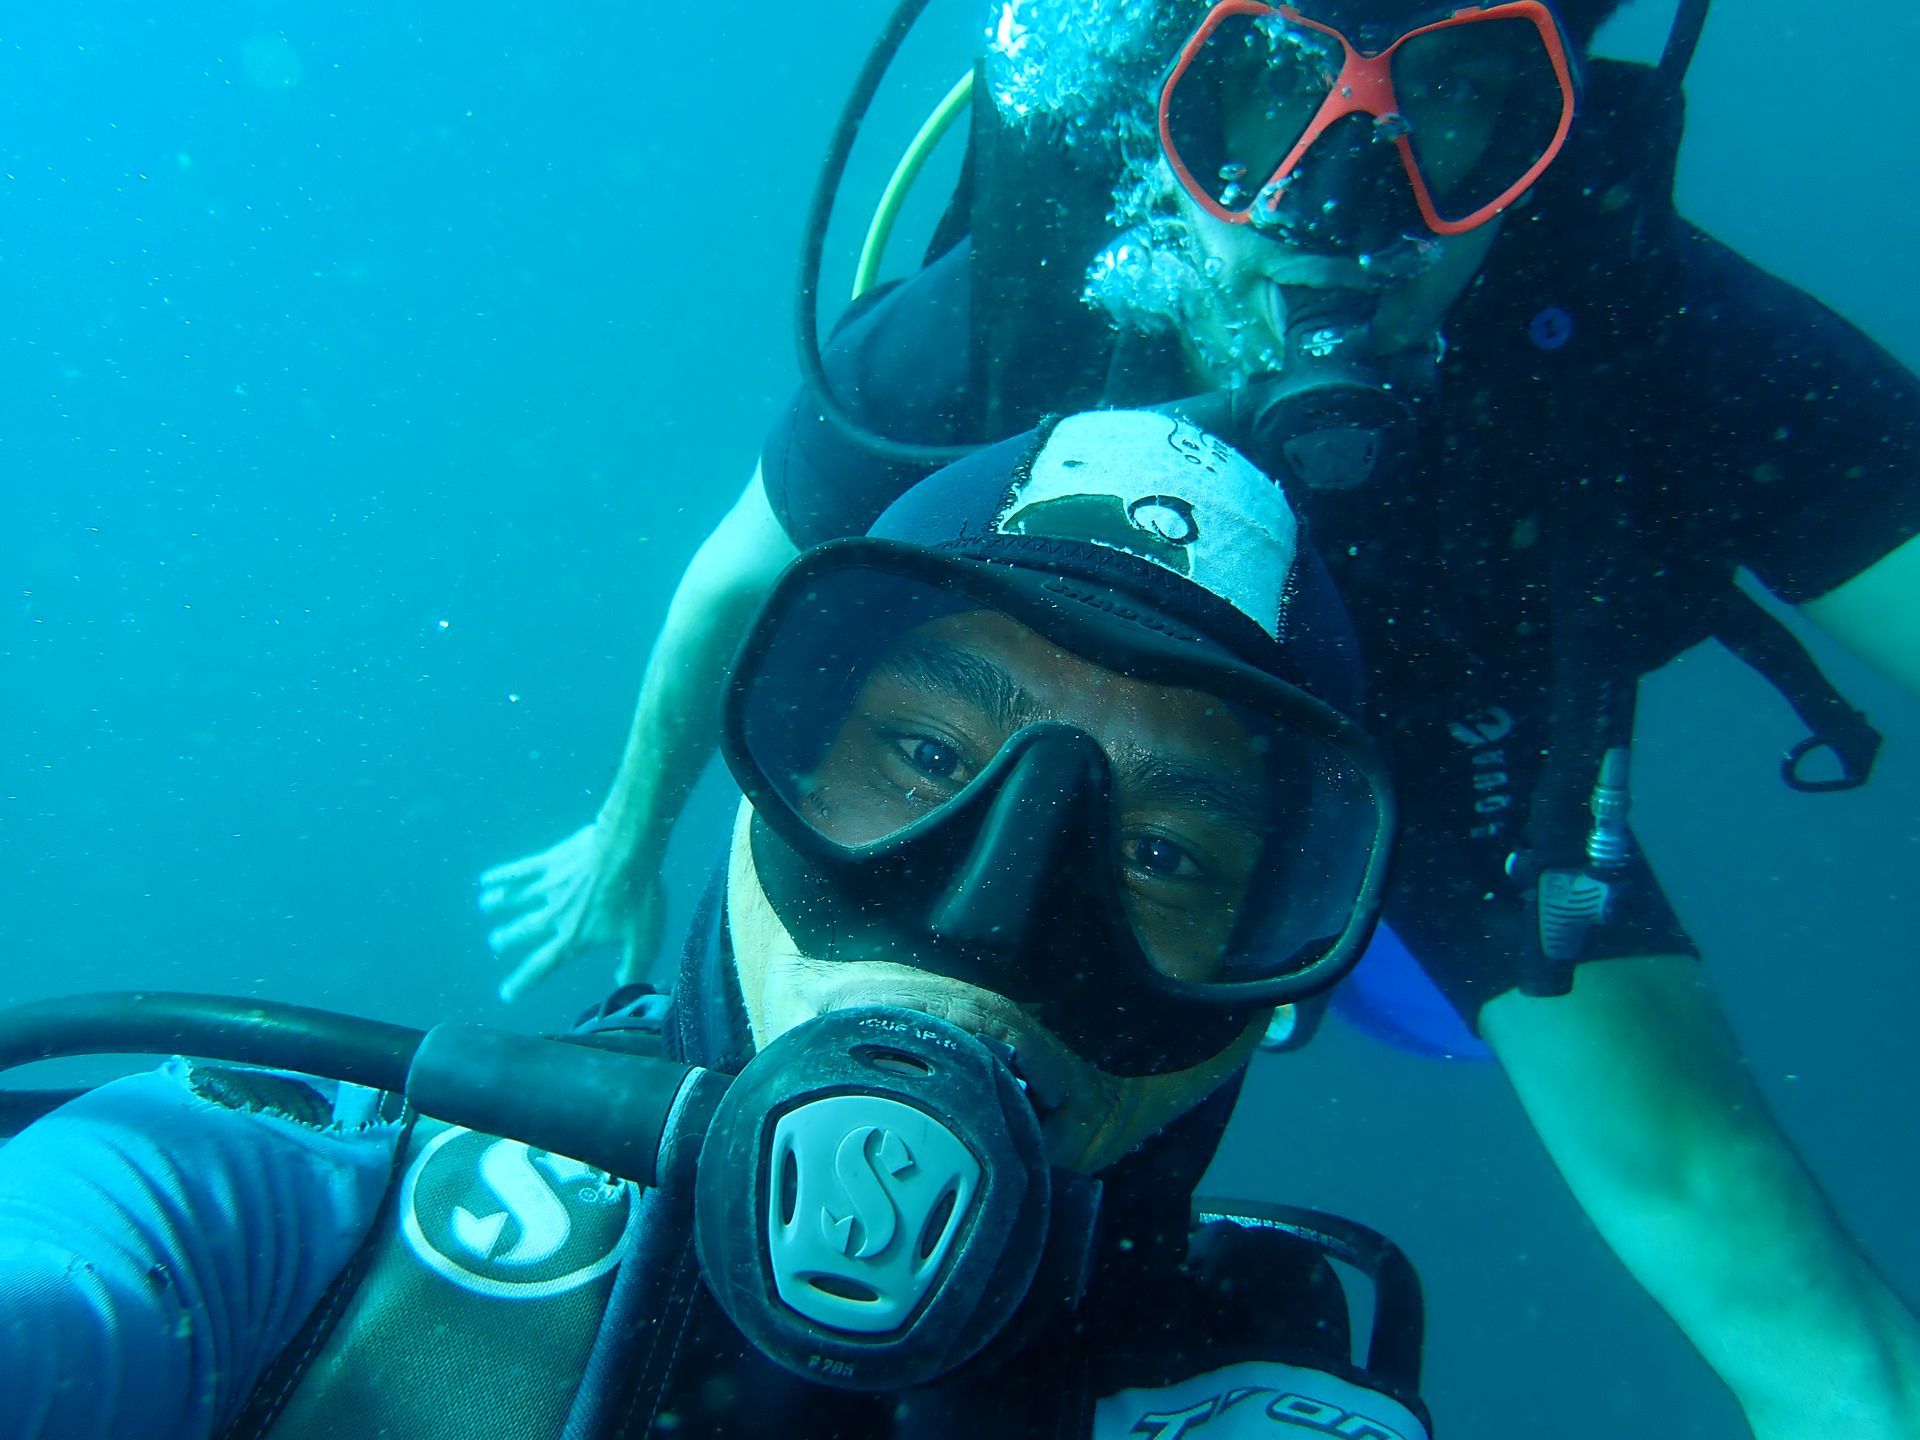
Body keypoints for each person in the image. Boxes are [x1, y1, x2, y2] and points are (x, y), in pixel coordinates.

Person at [478, 3, 1920, 1433]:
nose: (1346, 202)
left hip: (1462, 760)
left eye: (1455, 102)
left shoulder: (1646, 319)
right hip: (1069, 758)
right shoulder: (1018, 306)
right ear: (1166, 103)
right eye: (1270, 89)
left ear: (1543, 136)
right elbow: (745, 572)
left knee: (1754, 1248)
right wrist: (625, 836)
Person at [0, 415, 1433, 1440]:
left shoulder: (1260, 1395)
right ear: (768, 776)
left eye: (1165, 854)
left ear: (1267, 988)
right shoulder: (268, 1202)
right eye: (927, 757)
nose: (988, 922)